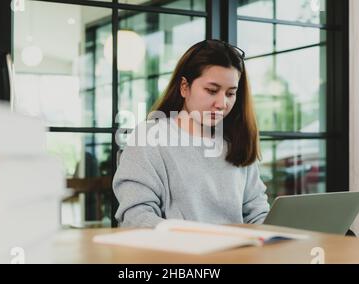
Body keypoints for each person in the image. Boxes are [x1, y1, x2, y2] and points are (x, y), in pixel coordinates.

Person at [113, 39, 270, 228]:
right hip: (178, 254)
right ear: (184, 87)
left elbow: (257, 213)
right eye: (212, 91)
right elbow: (136, 217)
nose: (222, 104)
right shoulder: (150, 138)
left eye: (230, 94)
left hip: (238, 255)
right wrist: (197, 239)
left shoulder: (235, 140)